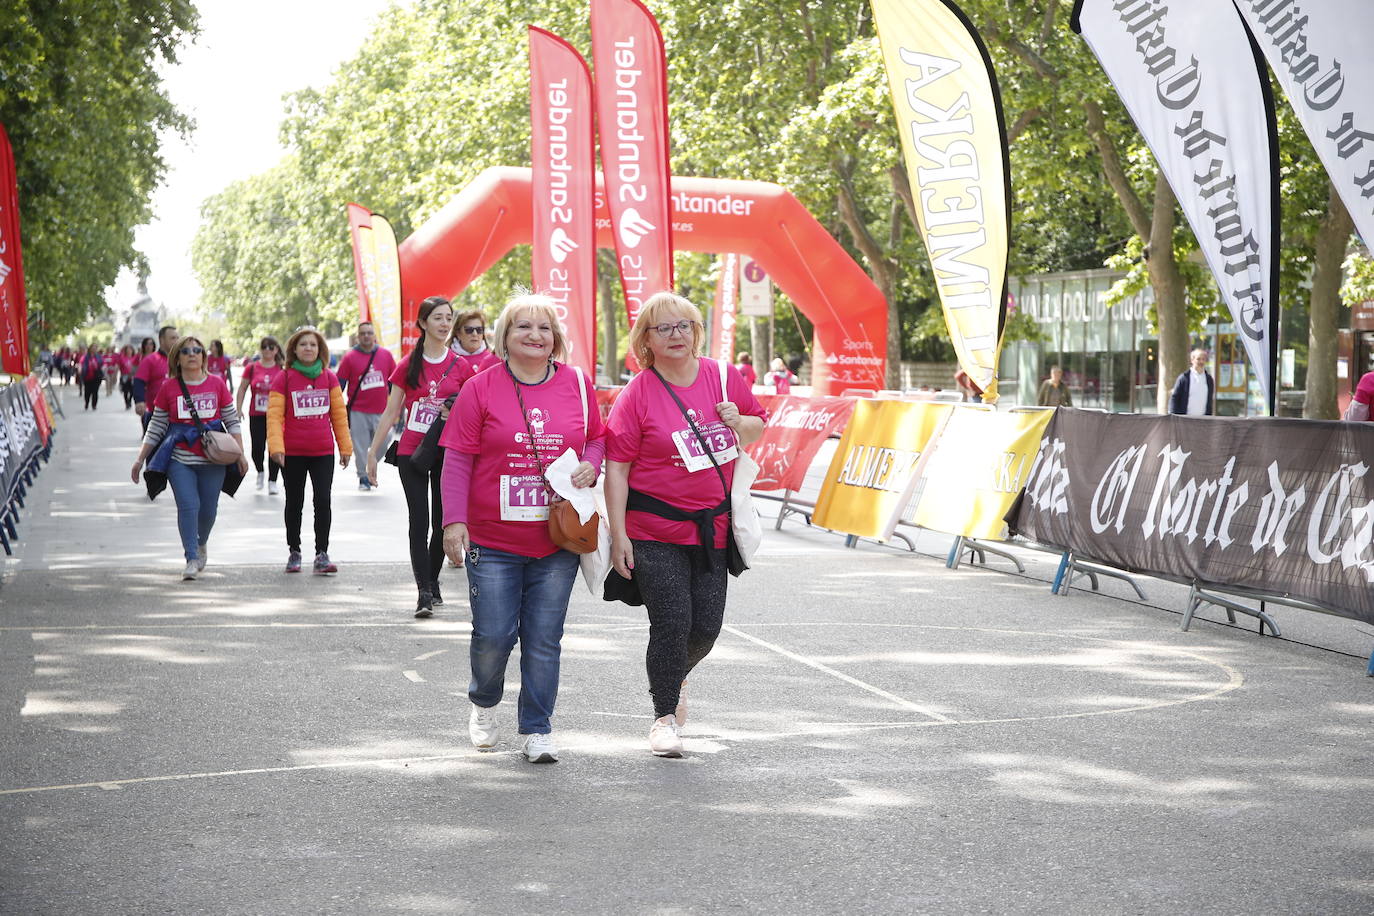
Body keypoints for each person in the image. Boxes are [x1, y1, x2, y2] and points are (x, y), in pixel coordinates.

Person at [440, 293, 605, 764]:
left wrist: (591, 465)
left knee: (544, 636)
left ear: (555, 338)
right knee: (492, 635)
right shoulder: (480, 388)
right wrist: (454, 522)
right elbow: (458, 459)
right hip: (492, 541)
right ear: (504, 336)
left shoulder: (576, 384)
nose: (535, 335)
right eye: (523, 327)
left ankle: (537, 727)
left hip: (557, 540)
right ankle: (484, 701)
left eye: (544, 327)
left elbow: (597, 437)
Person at [604, 291, 767, 757]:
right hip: (654, 528)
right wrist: (619, 534)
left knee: (706, 630)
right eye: (663, 328)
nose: (676, 335)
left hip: (713, 529)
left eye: (684, 326)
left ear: (696, 332)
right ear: (646, 340)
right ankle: (663, 718)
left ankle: (672, 675)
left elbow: (757, 427)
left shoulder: (721, 376)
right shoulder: (637, 393)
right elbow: (616, 467)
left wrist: (741, 422)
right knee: (672, 622)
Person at [366, 297, 467, 616]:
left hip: (445, 452)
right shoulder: (408, 365)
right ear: (423, 323)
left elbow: (472, 415)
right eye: (438, 317)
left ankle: (432, 580)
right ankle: (424, 591)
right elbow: (390, 413)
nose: (444, 323)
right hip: (411, 452)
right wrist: (372, 453)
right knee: (418, 521)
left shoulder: (462, 366)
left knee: (441, 523)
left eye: (449, 318)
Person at [130, 334, 248, 579]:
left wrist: (241, 454)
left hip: (214, 459)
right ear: (177, 358)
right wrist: (140, 459)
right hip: (180, 459)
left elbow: (231, 421)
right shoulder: (169, 387)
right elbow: (157, 426)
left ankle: (201, 542)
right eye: (185, 351)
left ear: (204, 356)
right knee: (188, 506)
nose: (192, 354)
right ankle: (191, 557)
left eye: (197, 350)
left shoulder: (216, 384)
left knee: (208, 511)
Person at [267, 327, 351, 574]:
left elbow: (339, 415)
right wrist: (276, 447)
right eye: (303, 344)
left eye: (313, 345)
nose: (308, 348)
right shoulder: (283, 378)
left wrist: (345, 447)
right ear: (294, 349)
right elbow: (274, 417)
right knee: (294, 502)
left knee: (322, 501)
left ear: (320, 350)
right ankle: (294, 551)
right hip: (292, 453)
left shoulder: (329, 378)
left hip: (322, 452)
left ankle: (321, 554)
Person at [336, 321, 397, 492]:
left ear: (374, 335)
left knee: (385, 440)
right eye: (363, 333)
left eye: (369, 333)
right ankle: (363, 476)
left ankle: (371, 464)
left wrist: (398, 407)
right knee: (360, 446)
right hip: (358, 411)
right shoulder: (349, 357)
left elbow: (393, 382)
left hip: (381, 411)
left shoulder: (385, 355)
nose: (366, 336)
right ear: (358, 336)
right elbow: (339, 384)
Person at [235, 336, 285, 494]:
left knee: (274, 447)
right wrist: (238, 408)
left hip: (276, 415)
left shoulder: (281, 368)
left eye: (271, 347)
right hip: (256, 414)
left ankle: (272, 481)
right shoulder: (252, 368)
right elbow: (242, 388)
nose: (268, 350)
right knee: (257, 447)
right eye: (264, 347)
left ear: (276, 350)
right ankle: (260, 472)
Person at [134, 325, 179, 430]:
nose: (176, 341)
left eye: (177, 338)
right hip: (156, 415)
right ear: (162, 340)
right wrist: (139, 401)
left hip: (179, 416)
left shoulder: (182, 360)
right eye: (172, 338)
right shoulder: (151, 360)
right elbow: (139, 381)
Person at [452, 308, 502, 376]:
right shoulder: (447, 359)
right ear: (458, 333)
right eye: (469, 330)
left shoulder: (495, 359)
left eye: (479, 330)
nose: (475, 334)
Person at [1169, 348, 1215, 416]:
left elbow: (1210, 401)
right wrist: (1173, 417)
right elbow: (1174, 398)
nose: (1201, 362)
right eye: (1198, 359)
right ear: (1192, 360)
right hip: (1185, 420)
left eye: (1203, 359)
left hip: (1203, 421)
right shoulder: (1184, 378)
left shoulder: (1209, 379)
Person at [79, 345, 105, 409]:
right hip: (87, 377)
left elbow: (103, 364)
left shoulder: (99, 357)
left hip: (97, 376)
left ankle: (94, 405)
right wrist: (80, 370)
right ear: (89, 349)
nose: (93, 350)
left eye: (95, 348)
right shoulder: (85, 357)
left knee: (95, 391)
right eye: (92, 348)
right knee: (87, 392)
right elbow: (81, 363)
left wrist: (103, 368)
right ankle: (87, 402)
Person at [117, 344, 138, 409]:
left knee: (132, 391)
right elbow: (119, 365)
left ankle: (129, 400)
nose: (129, 351)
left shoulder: (135, 358)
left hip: (133, 377)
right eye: (127, 350)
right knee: (125, 391)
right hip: (124, 376)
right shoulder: (122, 358)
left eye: (130, 350)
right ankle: (127, 403)